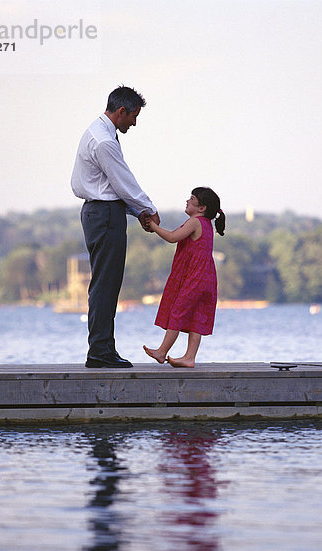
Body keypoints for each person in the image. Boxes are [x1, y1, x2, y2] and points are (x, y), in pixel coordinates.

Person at [71, 86, 160, 368]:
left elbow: (113, 185)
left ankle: (103, 348)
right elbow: (123, 182)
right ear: (121, 112)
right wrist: (148, 209)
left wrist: (136, 212)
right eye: (133, 116)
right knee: (106, 286)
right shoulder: (104, 141)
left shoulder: (99, 132)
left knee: (104, 284)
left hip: (102, 212)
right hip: (105, 214)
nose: (134, 123)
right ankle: (100, 351)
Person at [143, 187, 225, 368]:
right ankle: (189, 357)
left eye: (192, 198)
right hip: (207, 277)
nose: (187, 201)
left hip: (195, 277)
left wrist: (154, 226)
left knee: (177, 310)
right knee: (197, 314)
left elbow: (173, 237)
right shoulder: (206, 224)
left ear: (201, 208)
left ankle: (162, 351)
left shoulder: (195, 222)